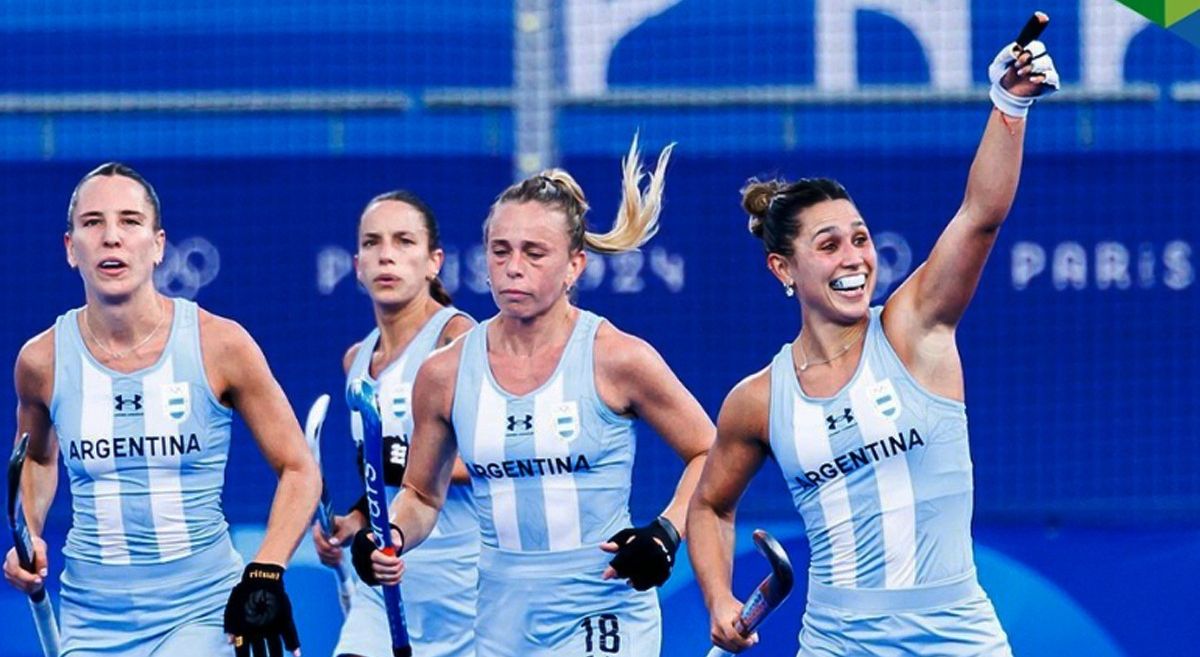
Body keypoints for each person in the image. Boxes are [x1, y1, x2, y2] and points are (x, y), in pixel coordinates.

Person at [686, 33, 1060, 657]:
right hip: (836, 643)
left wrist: (1010, 106)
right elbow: (711, 508)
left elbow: (979, 215)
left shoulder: (915, 329)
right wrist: (719, 598)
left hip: (955, 639)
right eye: (828, 245)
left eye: (859, 239)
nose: (855, 258)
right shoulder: (757, 400)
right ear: (783, 269)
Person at [352, 136, 713, 656]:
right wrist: (390, 539)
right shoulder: (444, 374)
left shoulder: (618, 358)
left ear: (575, 266)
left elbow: (710, 451)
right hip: (503, 619)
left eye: (534, 252)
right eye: (500, 251)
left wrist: (665, 533)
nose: (513, 267)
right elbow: (424, 496)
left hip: (604, 608)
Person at [2, 162, 321, 657]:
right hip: (91, 619)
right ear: (70, 249)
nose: (112, 238)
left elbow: (300, 468)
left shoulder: (221, 344)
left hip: (203, 611)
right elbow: (39, 460)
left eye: (130, 222)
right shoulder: (40, 360)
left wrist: (265, 573)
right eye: (93, 223)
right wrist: (31, 533)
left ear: (157, 245)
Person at [311, 190, 478, 657]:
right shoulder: (355, 360)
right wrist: (353, 521)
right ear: (357, 264)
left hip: (466, 593)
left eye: (404, 242)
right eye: (372, 243)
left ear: (433, 261)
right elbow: (381, 480)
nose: (386, 255)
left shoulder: (457, 337)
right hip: (384, 587)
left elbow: (488, 453)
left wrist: (399, 456)